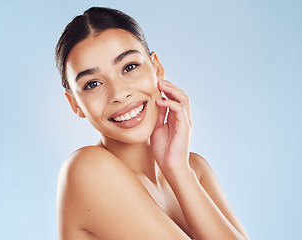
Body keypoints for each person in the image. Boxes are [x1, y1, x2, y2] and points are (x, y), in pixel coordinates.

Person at [55, 7, 250, 240]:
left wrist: (178, 170)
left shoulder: (194, 170)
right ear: (74, 103)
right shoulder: (86, 170)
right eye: (92, 84)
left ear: (156, 67)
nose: (119, 93)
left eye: (129, 67)